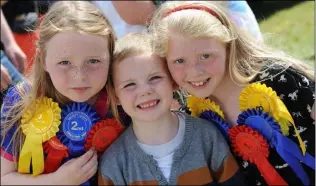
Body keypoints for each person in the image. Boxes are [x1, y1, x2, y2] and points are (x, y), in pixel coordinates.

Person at [149, 1, 315, 185]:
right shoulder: (191, 114)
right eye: (179, 61)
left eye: (206, 56)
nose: (195, 71)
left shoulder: (280, 79)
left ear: (228, 47)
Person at [1, 1, 129, 185]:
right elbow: (4, 177)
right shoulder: (21, 100)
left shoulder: (124, 98)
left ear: (111, 55)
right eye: (64, 63)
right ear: (42, 60)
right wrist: (57, 181)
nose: (79, 77)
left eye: (93, 61)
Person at [98, 33, 245, 185]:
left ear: (173, 82)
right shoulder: (114, 164)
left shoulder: (207, 137)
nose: (144, 91)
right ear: (115, 96)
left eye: (154, 78)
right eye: (129, 85)